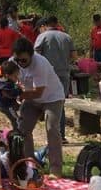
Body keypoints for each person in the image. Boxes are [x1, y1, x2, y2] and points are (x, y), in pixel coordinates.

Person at [13, 37, 66, 176]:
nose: (20, 64)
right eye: (17, 60)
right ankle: (30, 165)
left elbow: (38, 92)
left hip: (52, 97)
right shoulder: (13, 62)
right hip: (30, 97)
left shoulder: (40, 64)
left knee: (52, 129)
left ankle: (56, 169)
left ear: (31, 55)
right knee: (23, 129)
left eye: (23, 60)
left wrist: (18, 94)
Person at [35, 16, 76, 142]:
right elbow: (74, 56)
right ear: (57, 23)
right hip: (64, 74)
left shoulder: (43, 37)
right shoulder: (67, 37)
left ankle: (51, 134)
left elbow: (35, 55)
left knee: (49, 103)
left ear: (45, 25)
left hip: (48, 74)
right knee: (60, 104)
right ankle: (61, 135)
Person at [0, 61, 22, 127]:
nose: (17, 78)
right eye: (15, 76)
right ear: (7, 75)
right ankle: (17, 132)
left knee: (16, 113)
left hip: (5, 103)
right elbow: (10, 94)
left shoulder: (3, 79)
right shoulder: (4, 85)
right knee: (15, 119)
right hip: (5, 105)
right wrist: (19, 90)